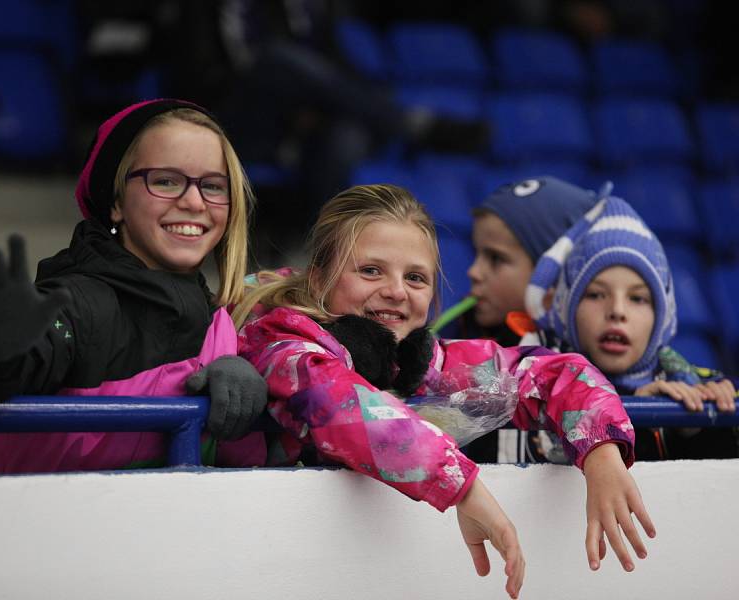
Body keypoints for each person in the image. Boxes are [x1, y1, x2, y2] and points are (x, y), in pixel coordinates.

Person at [231, 184, 656, 593]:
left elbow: (550, 373)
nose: (396, 291)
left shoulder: (418, 359)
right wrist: (463, 487)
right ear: (320, 276)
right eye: (371, 270)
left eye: (416, 278)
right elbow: (338, 403)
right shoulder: (281, 345)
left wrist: (602, 452)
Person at [0, 98, 268, 474]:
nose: (194, 201)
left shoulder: (222, 323)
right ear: (115, 202)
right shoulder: (76, 302)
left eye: (212, 186)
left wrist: (251, 388)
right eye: (165, 181)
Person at [525, 194, 737, 460]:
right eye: (596, 295)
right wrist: (637, 417)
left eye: (638, 298)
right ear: (567, 309)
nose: (617, 311)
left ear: (662, 318)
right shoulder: (528, 385)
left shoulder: (704, 386)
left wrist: (704, 424)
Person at [442, 176, 605, 462]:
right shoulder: (455, 340)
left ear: (552, 273)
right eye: (477, 253)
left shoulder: (603, 349)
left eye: (495, 258)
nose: (473, 271)